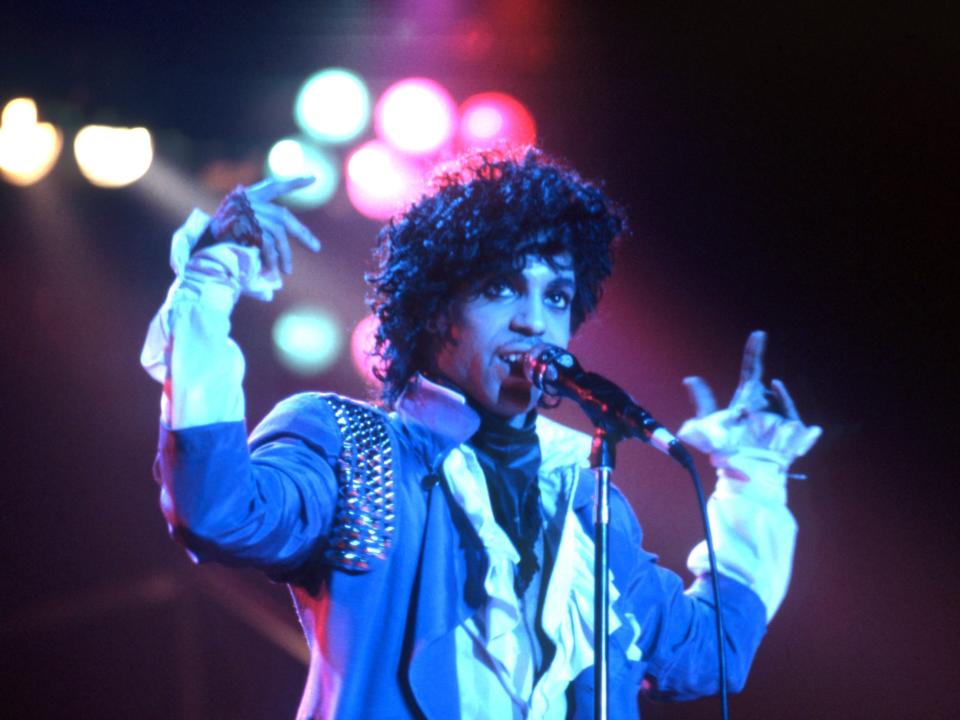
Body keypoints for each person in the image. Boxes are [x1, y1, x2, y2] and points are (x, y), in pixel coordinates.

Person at [141, 147, 821, 719]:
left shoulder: (585, 497)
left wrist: (752, 477)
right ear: (438, 313)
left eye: (555, 296)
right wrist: (206, 293)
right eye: (501, 289)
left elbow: (708, 654)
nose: (534, 321)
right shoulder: (354, 447)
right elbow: (218, 512)